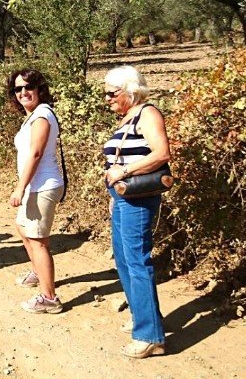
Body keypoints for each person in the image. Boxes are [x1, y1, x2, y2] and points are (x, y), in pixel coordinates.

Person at [103, 65, 170, 359]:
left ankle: (150, 336)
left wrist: (124, 171)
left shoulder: (148, 113)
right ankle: (142, 318)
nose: (107, 98)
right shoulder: (127, 118)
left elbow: (161, 153)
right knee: (124, 259)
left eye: (111, 92)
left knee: (137, 261)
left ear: (130, 90)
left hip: (138, 198)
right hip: (122, 198)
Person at [7, 69, 65, 314]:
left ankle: (49, 298)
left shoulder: (42, 115)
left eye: (28, 87)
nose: (23, 92)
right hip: (35, 184)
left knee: (38, 241)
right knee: (23, 229)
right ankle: (38, 272)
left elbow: (36, 153)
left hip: (42, 185)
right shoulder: (33, 115)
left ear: (39, 88)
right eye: (18, 89)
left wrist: (20, 187)